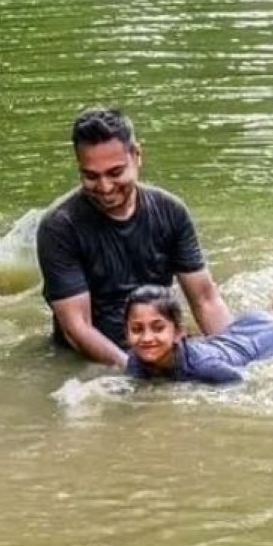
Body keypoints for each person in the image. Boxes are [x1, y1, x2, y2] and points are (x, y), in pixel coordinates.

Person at [36, 106, 233, 366]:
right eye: (91, 176)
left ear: (137, 155)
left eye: (115, 173)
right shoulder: (60, 227)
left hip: (157, 343)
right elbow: (78, 329)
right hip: (91, 361)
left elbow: (206, 300)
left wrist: (230, 351)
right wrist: (133, 370)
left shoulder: (171, 211)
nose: (105, 188)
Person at [124, 243, 273, 384]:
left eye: (158, 327)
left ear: (179, 332)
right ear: (126, 333)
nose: (147, 338)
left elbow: (239, 379)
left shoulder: (204, 367)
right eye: (136, 329)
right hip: (236, 332)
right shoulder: (136, 359)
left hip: (267, 338)